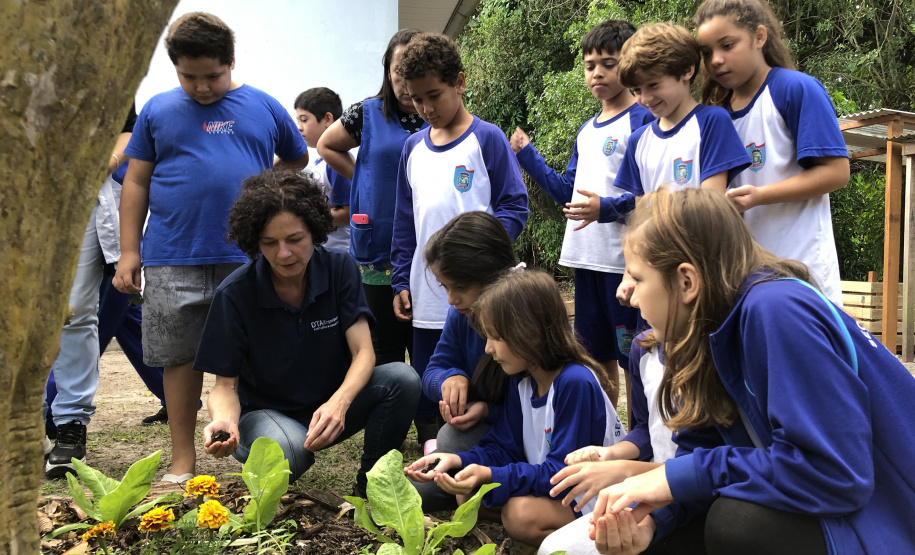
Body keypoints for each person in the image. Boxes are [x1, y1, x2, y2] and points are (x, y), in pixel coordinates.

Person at [587, 187, 915, 554]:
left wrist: (682, 477)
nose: (629, 294)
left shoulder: (776, 310)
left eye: (638, 277)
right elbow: (702, 455)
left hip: (890, 521)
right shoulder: (710, 335)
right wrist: (651, 524)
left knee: (736, 523)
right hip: (842, 513)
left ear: (686, 282)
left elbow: (836, 474)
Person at [113, 12, 308, 482]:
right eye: (190, 77)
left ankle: (258, 451)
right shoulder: (158, 111)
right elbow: (136, 180)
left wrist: (265, 191)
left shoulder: (262, 106)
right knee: (179, 361)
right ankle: (184, 461)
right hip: (172, 254)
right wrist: (129, 250)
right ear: (175, 68)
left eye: (213, 76)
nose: (202, 88)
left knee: (249, 355)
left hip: (244, 257)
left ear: (231, 61)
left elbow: (298, 157)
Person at [195, 169, 420, 497]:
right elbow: (224, 387)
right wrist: (226, 421)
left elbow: (364, 352)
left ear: (314, 232)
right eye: (269, 243)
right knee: (292, 452)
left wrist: (339, 403)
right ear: (254, 240)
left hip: (327, 406)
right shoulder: (234, 294)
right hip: (264, 414)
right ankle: (266, 452)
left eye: (295, 239)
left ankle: (373, 485)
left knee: (402, 379)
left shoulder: (340, 269)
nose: (283, 253)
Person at [406, 270, 624, 548]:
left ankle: (594, 545)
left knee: (520, 515)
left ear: (529, 334)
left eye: (495, 338)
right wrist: (457, 460)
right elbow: (503, 447)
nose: (487, 349)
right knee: (468, 496)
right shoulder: (523, 383)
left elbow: (562, 474)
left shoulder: (574, 383)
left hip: (596, 497)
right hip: (559, 491)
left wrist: (489, 475)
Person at [391, 32, 530, 448]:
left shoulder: (486, 139)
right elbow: (403, 219)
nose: (427, 108)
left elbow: (514, 207)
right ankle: (435, 442)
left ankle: (499, 436)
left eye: (434, 95)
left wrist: (478, 256)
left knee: (491, 365)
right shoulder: (412, 147)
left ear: (460, 82)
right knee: (434, 370)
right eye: (417, 99)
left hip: (482, 290)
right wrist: (401, 278)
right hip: (426, 289)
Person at [510, 19, 653, 409]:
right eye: (591, 65)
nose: (598, 73)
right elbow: (566, 192)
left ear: (630, 64)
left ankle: (639, 433)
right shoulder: (587, 130)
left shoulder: (643, 120)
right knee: (594, 356)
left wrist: (606, 208)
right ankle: (607, 429)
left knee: (632, 356)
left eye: (609, 63)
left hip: (624, 264)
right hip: (585, 259)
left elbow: (651, 196)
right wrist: (527, 154)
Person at [696, 0, 849, 304]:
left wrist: (760, 196)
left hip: (803, 271)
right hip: (742, 278)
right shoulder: (715, 114)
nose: (716, 60)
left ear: (759, 37)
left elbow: (836, 172)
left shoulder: (795, 89)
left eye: (727, 45)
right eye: (707, 52)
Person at [316, 29, 427, 375]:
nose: (407, 83)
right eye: (399, 71)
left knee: (426, 339)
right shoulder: (366, 114)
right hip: (377, 243)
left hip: (428, 244)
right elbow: (326, 145)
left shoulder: (438, 113)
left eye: (415, 70)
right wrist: (360, 178)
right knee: (383, 344)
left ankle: (428, 420)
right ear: (387, 71)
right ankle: (391, 409)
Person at [44, 103, 141, 478]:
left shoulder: (100, 56)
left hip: (80, 198)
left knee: (77, 311)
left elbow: (127, 126)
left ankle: (71, 425)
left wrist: (110, 160)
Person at [410, 211, 517, 510]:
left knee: (451, 441)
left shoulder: (523, 318)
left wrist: (486, 409)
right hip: (488, 438)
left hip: (519, 438)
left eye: (460, 287)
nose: (451, 299)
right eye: (445, 286)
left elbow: (533, 407)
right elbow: (432, 371)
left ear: (494, 274)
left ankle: (492, 493)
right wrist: (450, 378)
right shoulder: (460, 314)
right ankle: (468, 489)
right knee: (417, 492)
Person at [594, 23, 751, 224]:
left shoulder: (711, 122)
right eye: (637, 90)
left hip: (703, 249)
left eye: (653, 85)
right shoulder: (638, 140)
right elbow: (640, 208)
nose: (646, 98)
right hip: (657, 251)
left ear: (686, 70)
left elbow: (713, 204)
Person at [294, 87, 353, 254]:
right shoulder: (319, 163)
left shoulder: (337, 161)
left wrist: (306, 215)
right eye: (298, 121)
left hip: (340, 252)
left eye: (304, 120)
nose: (299, 127)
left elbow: (348, 212)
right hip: (324, 249)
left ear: (327, 119)